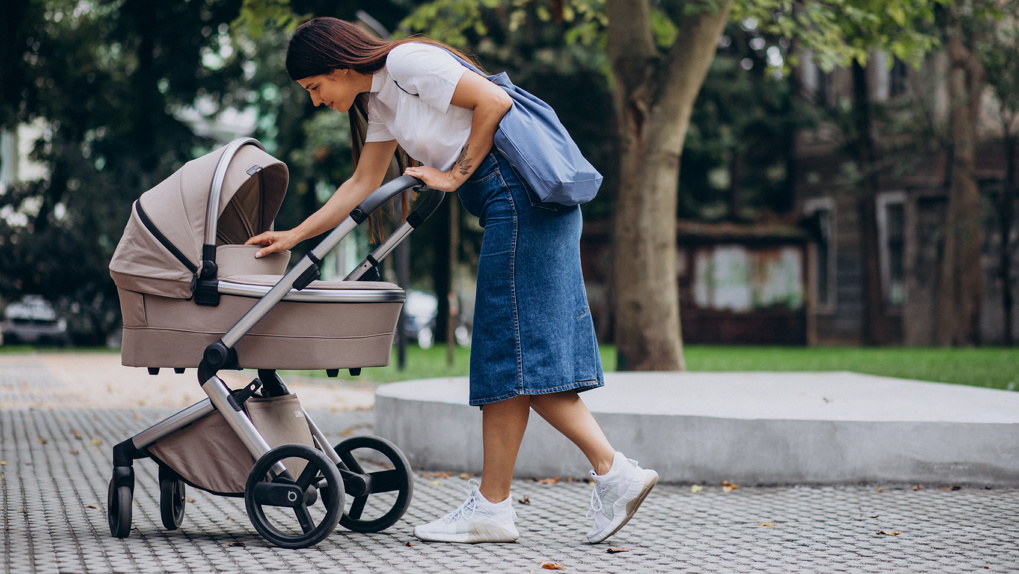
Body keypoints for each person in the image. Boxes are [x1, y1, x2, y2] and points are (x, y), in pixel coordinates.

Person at [246, 17, 658, 544]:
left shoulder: (406, 63)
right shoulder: (379, 101)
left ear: (340, 65)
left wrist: (454, 175)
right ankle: (510, 502)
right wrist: (293, 235)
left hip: (517, 200)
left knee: (510, 353)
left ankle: (598, 476)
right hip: (518, 206)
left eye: (314, 87)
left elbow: (493, 102)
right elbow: (363, 183)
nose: (315, 99)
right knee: (518, 356)